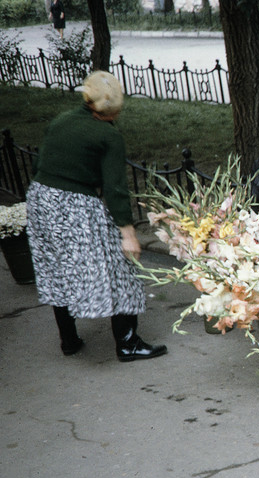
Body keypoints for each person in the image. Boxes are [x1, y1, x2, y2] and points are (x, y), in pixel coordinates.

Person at [26, 71, 167, 362]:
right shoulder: (108, 135)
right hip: (76, 203)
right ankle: (128, 343)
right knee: (120, 266)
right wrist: (128, 235)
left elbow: (39, 162)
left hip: (40, 199)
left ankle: (68, 339)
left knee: (57, 266)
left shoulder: (61, 120)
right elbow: (115, 189)